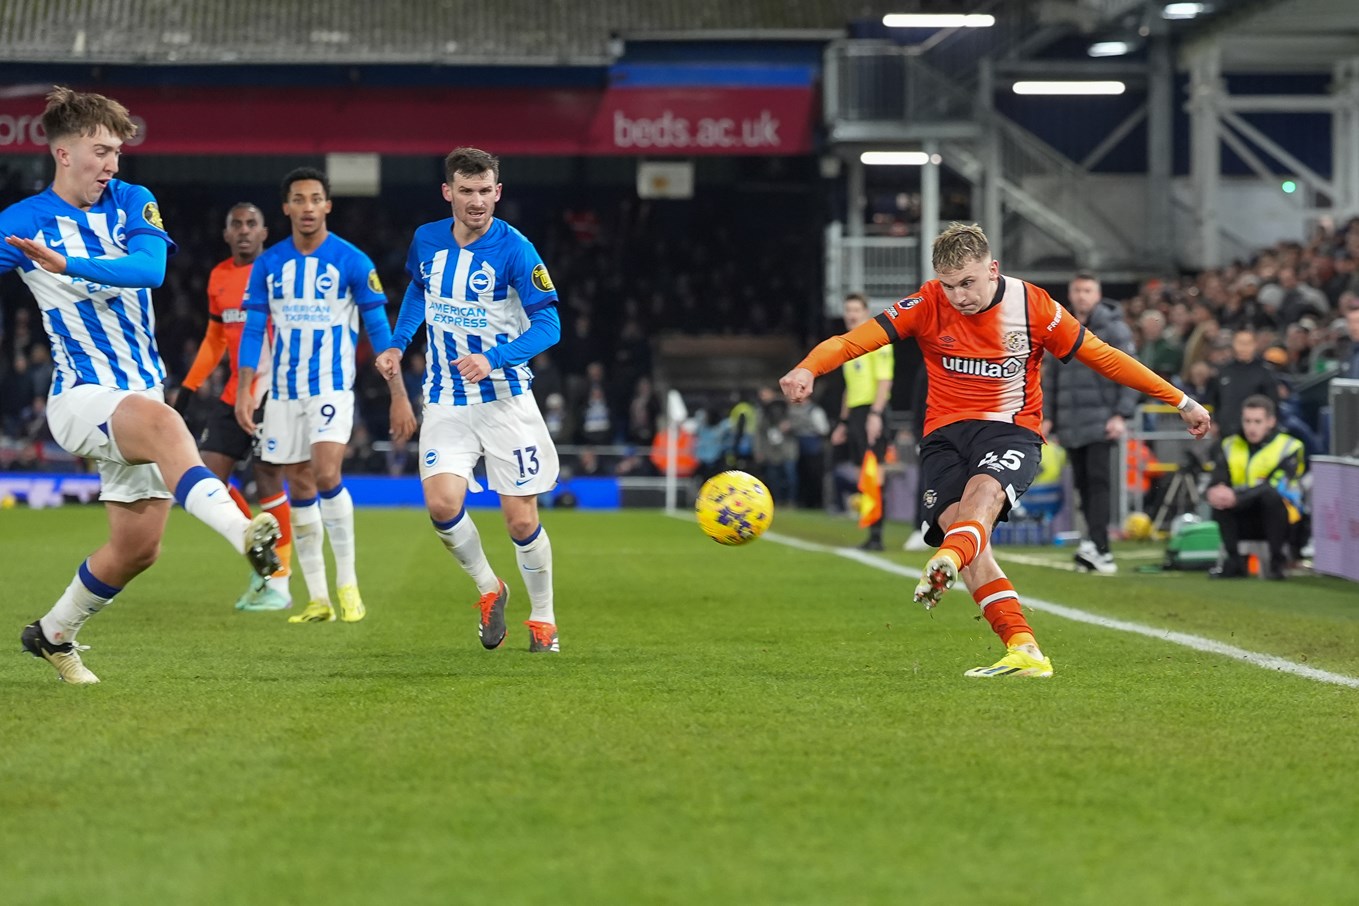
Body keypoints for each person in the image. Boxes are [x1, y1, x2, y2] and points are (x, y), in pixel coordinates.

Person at [780, 223, 1210, 679]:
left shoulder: (1034, 306)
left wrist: (1180, 401)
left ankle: (950, 558)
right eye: (949, 285)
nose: (959, 296)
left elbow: (1104, 356)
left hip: (1009, 431)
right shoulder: (927, 303)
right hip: (943, 437)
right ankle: (1024, 649)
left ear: (993, 269)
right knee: (968, 540)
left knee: (978, 507)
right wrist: (808, 368)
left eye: (968, 282)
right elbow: (853, 340)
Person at [2, 87, 280, 684]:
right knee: (165, 424)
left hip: (139, 393)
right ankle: (244, 533)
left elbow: (150, 270)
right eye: (101, 151)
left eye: (117, 154)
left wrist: (64, 263)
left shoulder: (133, 201)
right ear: (63, 153)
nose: (112, 165)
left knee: (137, 550)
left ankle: (52, 634)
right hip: (80, 395)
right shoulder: (22, 222)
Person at [375, 147, 562, 653]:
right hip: (445, 398)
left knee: (521, 521)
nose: (477, 202)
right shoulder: (427, 239)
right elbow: (419, 290)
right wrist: (398, 341)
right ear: (448, 192)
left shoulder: (517, 250)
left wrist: (496, 357)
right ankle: (489, 587)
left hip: (504, 400)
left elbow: (550, 325)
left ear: (497, 192)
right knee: (441, 504)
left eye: (485, 192)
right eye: (467, 191)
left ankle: (543, 619)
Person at [236, 167, 416, 624]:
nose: (308, 207)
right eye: (299, 199)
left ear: (328, 206)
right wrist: (243, 390)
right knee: (298, 482)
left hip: (331, 386)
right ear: (287, 207)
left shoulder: (352, 261)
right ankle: (318, 598)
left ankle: (348, 583)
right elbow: (254, 327)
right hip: (281, 392)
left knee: (325, 471)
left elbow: (378, 329)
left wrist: (398, 393)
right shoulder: (269, 264)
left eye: (316, 198)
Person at [174, 203, 295, 611]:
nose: (244, 231)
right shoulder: (219, 277)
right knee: (208, 477)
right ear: (226, 234)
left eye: (252, 224)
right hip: (232, 393)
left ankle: (280, 583)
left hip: (274, 392)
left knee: (267, 479)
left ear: (265, 232)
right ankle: (258, 548)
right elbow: (214, 337)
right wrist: (190, 386)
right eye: (236, 225)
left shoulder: (281, 270)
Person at [1042, 272, 1140, 575]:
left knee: (1098, 484)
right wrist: (1047, 417)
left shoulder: (1114, 328)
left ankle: (1101, 548)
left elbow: (1131, 371)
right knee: (1084, 486)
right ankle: (1093, 544)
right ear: (1071, 294)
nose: (1082, 295)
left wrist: (1121, 414)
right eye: (1078, 290)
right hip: (1071, 423)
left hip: (1101, 420)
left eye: (1088, 290)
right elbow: (1052, 377)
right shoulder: (1062, 328)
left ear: (1097, 294)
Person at [1206, 395, 1306, 580]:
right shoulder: (1229, 444)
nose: (1251, 427)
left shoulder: (1290, 447)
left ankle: (1278, 563)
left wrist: (1237, 497)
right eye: (1247, 421)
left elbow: (1275, 484)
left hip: (1281, 519)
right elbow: (1218, 476)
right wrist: (1215, 490)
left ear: (1271, 421)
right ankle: (1235, 561)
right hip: (1243, 514)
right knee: (1220, 501)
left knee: (1270, 497)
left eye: (1257, 421)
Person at [830, 292, 894, 550]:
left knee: (874, 473)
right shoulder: (849, 345)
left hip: (872, 411)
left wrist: (876, 415)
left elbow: (884, 381)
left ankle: (877, 536)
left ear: (865, 313)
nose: (851, 315)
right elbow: (849, 388)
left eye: (856, 310)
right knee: (863, 476)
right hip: (856, 414)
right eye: (848, 310)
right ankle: (871, 533)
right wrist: (843, 423)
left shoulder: (878, 341)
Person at [1206, 329, 1278, 438]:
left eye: (1248, 343)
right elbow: (1215, 400)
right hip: (1226, 432)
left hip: (1255, 434)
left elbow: (1272, 403)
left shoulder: (1265, 372)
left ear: (1255, 345)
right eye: (1240, 343)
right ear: (1233, 344)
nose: (1244, 347)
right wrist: (1214, 421)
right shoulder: (1223, 371)